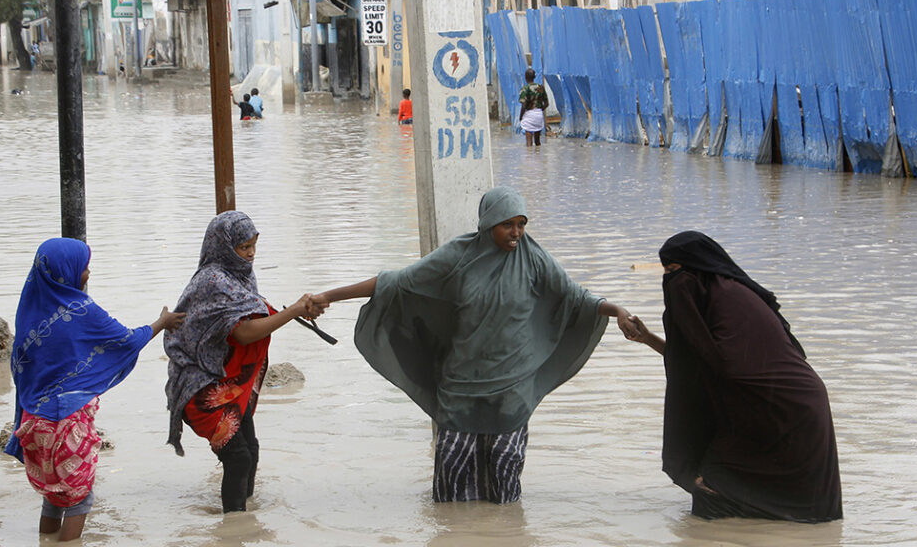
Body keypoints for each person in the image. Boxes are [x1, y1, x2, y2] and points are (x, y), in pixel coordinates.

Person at [316, 186, 637, 504]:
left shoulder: (534, 258)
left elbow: (576, 298)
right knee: (452, 477)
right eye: (507, 225)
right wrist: (329, 296)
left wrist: (617, 310)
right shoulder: (459, 255)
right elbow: (396, 281)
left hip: (512, 385)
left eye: (521, 224)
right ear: (487, 224)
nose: (516, 233)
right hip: (462, 384)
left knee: (505, 475)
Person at [624, 231, 843, 523]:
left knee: (712, 490)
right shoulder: (724, 295)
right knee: (740, 499)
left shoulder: (726, 298)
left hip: (782, 411)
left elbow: (719, 368)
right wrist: (649, 338)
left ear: (697, 268)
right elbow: (701, 362)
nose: (672, 283)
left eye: (675, 271)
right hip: (787, 407)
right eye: (666, 273)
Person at [4, 238, 185, 542]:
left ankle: (45, 542)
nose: (87, 273)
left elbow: (21, 369)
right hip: (68, 424)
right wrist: (162, 322)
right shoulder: (80, 310)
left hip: (33, 422)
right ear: (67, 270)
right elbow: (125, 340)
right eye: (84, 267)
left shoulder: (29, 313)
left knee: (53, 493)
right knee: (79, 498)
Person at [164, 211, 324, 513]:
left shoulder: (241, 275)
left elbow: (253, 314)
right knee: (238, 457)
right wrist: (292, 311)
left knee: (250, 449)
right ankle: (233, 522)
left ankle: (241, 525)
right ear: (223, 247)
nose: (250, 254)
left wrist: (294, 310)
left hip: (229, 384)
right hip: (204, 388)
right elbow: (244, 333)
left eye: (253, 245)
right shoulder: (213, 281)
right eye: (243, 247)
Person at [518, 68, 548, 147]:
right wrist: (540, 110)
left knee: (529, 143)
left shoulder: (525, 89)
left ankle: (529, 158)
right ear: (534, 77)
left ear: (525, 77)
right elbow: (546, 103)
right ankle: (539, 157)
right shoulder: (540, 88)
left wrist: (520, 117)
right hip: (539, 115)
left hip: (529, 115)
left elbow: (524, 105)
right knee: (537, 142)